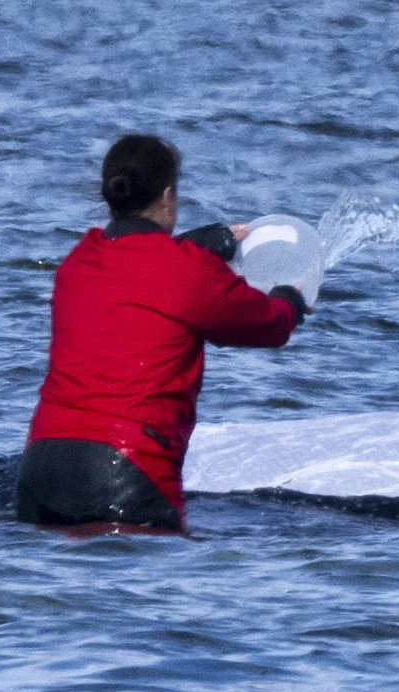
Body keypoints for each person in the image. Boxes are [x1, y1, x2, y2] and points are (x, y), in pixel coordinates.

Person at [19, 133, 311, 531]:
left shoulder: (77, 261)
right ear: (168, 196)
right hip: (126, 474)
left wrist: (200, 245)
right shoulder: (187, 271)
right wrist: (290, 299)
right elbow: (268, 324)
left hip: (41, 470)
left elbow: (137, 270)